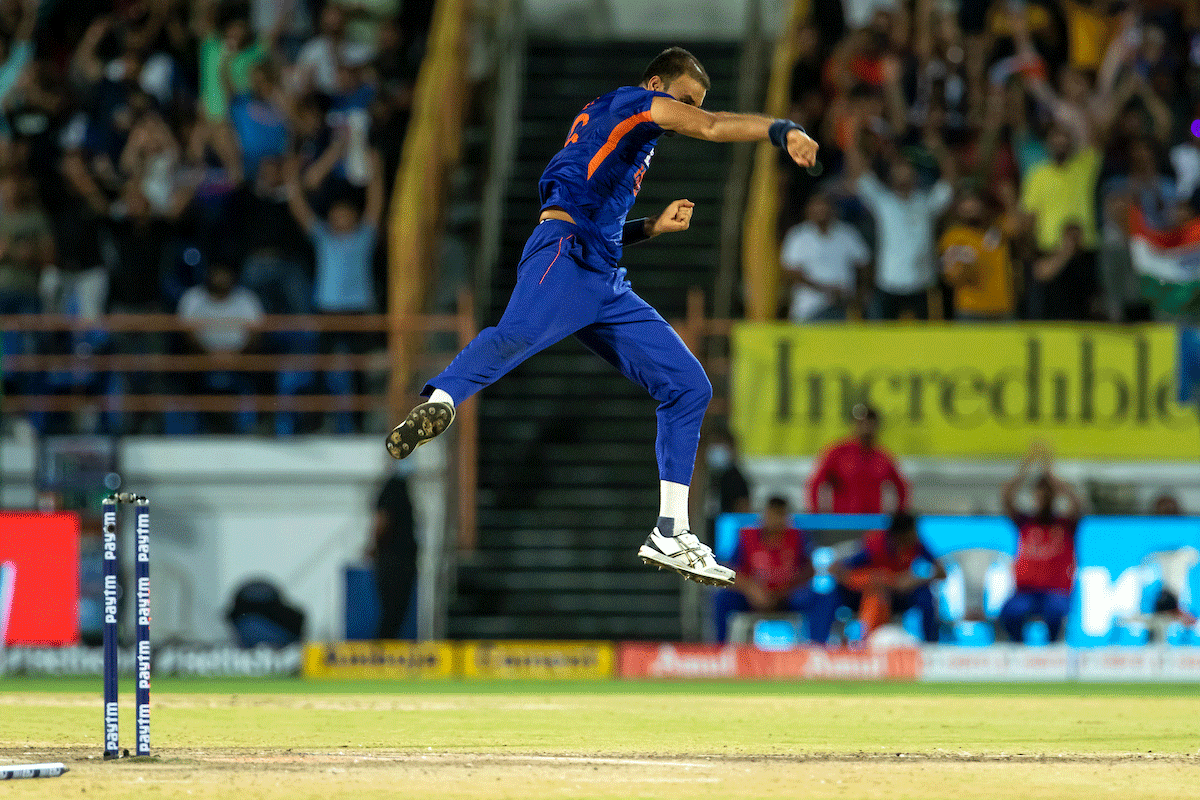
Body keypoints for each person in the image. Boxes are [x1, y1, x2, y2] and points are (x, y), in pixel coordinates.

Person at [384, 47, 819, 587]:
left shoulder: (630, 141)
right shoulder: (634, 103)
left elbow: (603, 219)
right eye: (683, 98)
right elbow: (709, 127)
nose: (686, 113)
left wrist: (650, 228)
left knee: (690, 386)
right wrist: (782, 130)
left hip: (602, 278)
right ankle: (439, 402)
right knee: (516, 333)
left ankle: (670, 530)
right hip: (563, 252)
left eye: (692, 104)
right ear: (657, 83)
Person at [713, 497, 838, 644]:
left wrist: (784, 591)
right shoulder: (747, 536)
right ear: (764, 515)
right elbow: (730, 570)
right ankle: (719, 650)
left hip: (787, 596)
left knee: (822, 597)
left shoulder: (798, 536)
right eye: (773, 514)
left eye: (781, 515)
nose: (776, 520)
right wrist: (751, 589)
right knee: (721, 597)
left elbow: (809, 570)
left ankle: (818, 648)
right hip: (753, 596)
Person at [998, 441, 1082, 644]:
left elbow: (1077, 503)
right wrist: (1026, 467)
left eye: (1046, 496)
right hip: (1026, 591)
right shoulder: (1025, 522)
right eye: (1038, 496)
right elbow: (1007, 496)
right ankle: (1018, 652)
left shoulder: (1065, 524)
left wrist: (1051, 475)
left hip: (1056, 591)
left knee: (1055, 613)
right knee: (1010, 613)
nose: (1042, 500)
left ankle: (1052, 656)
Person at [829, 511, 946, 642]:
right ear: (899, 535)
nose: (914, 537)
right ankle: (858, 642)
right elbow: (837, 568)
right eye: (911, 534)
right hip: (867, 595)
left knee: (925, 595)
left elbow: (942, 572)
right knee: (872, 595)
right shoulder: (875, 544)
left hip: (898, 594)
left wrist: (912, 580)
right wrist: (867, 580)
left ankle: (931, 643)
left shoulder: (916, 545)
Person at [779, 192, 869, 322]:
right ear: (808, 211)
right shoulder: (798, 236)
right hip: (808, 309)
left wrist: (860, 295)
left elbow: (864, 265)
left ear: (833, 210)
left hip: (843, 307)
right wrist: (826, 290)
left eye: (824, 208)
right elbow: (791, 272)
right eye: (816, 208)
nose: (821, 212)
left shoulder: (847, 233)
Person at [808, 404, 909, 514]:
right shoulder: (838, 453)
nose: (866, 427)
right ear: (854, 424)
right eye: (861, 423)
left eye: (870, 422)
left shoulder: (882, 456)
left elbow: (901, 486)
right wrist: (816, 514)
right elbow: (816, 483)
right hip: (843, 523)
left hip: (873, 523)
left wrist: (900, 517)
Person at [938, 188, 1017, 321]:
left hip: (1003, 310)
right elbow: (951, 277)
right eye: (966, 202)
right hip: (970, 311)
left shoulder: (998, 228)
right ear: (957, 207)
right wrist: (964, 266)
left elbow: (1018, 225)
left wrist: (1009, 200)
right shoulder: (953, 236)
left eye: (975, 201)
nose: (971, 206)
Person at [367, 462, 419, 639]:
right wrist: (375, 546)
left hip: (401, 559)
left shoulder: (402, 488)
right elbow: (383, 520)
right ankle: (381, 654)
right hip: (395, 561)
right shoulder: (393, 488)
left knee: (396, 613)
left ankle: (385, 652)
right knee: (392, 611)